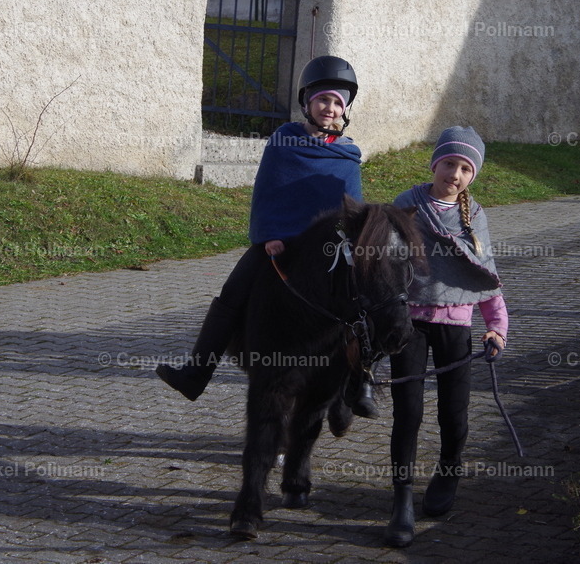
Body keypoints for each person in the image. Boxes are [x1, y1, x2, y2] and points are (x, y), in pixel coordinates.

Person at [156, 56, 378, 417]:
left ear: (345, 109)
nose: (330, 107)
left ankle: (358, 386)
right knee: (232, 294)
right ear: (307, 101)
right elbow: (269, 192)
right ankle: (196, 373)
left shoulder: (348, 153)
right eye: (323, 99)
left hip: (328, 249)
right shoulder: (284, 140)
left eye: (338, 102)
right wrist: (270, 234)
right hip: (279, 243)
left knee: (366, 302)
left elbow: (351, 208)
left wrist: (349, 242)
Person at [384, 126, 509, 548]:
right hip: (409, 323)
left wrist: (496, 327)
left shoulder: (475, 216)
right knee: (408, 412)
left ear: (472, 176)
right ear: (435, 163)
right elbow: (385, 264)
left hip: (456, 325)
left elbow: (484, 274)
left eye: (464, 168)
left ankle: (448, 471)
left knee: (453, 414)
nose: (454, 174)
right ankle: (401, 499)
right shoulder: (407, 205)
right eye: (449, 163)